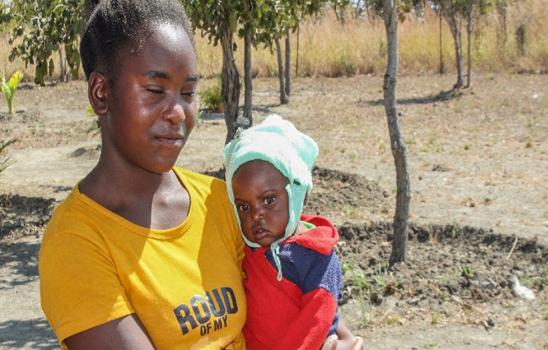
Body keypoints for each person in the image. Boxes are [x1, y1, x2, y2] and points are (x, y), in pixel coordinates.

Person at [38, 0, 363, 349]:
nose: (178, 112)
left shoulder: (220, 203)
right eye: (155, 90)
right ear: (101, 93)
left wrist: (337, 340)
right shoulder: (76, 243)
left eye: (189, 92)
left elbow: (301, 300)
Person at [223, 115, 354, 350]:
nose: (255, 215)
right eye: (244, 206)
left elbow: (315, 326)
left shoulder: (317, 259)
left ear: (299, 195)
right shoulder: (244, 248)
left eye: (269, 200)